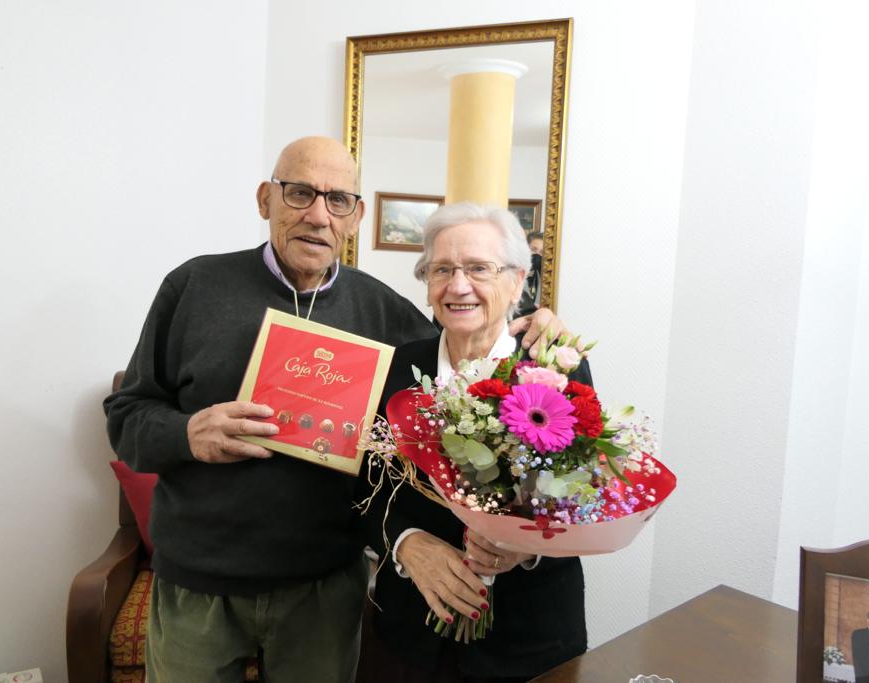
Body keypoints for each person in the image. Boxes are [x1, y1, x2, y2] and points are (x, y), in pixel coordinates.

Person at [104, 136, 566, 683]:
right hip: (199, 585)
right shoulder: (193, 286)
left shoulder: (385, 313)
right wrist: (186, 435)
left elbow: (470, 351)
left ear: (356, 214)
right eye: (299, 193)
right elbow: (126, 416)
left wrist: (539, 322)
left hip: (324, 590)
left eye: (338, 200)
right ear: (264, 200)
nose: (318, 216)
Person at [360, 203, 588, 683]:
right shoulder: (398, 367)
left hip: (531, 641)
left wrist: (526, 549)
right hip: (410, 641)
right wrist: (405, 544)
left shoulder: (557, 367)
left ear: (518, 279)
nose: (458, 286)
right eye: (442, 269)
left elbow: (581, 495)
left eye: (479, 268)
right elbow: (366, 485)